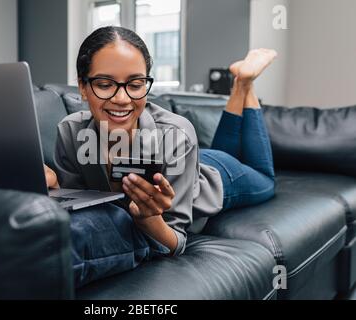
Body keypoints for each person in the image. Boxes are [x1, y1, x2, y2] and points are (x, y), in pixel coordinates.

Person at [44, 26, 276, 288]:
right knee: (224, 148)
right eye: (105, 84)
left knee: (266, 180)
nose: (122, 98)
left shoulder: (177, 133)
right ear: (83, 88)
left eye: (135, 84)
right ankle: (240, 85)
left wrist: (149, 219)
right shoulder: (70, 131)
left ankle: (245, 82)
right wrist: (52, 183)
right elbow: (82, 203)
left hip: (217, 178)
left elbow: (176, 242)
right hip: (192, 158)